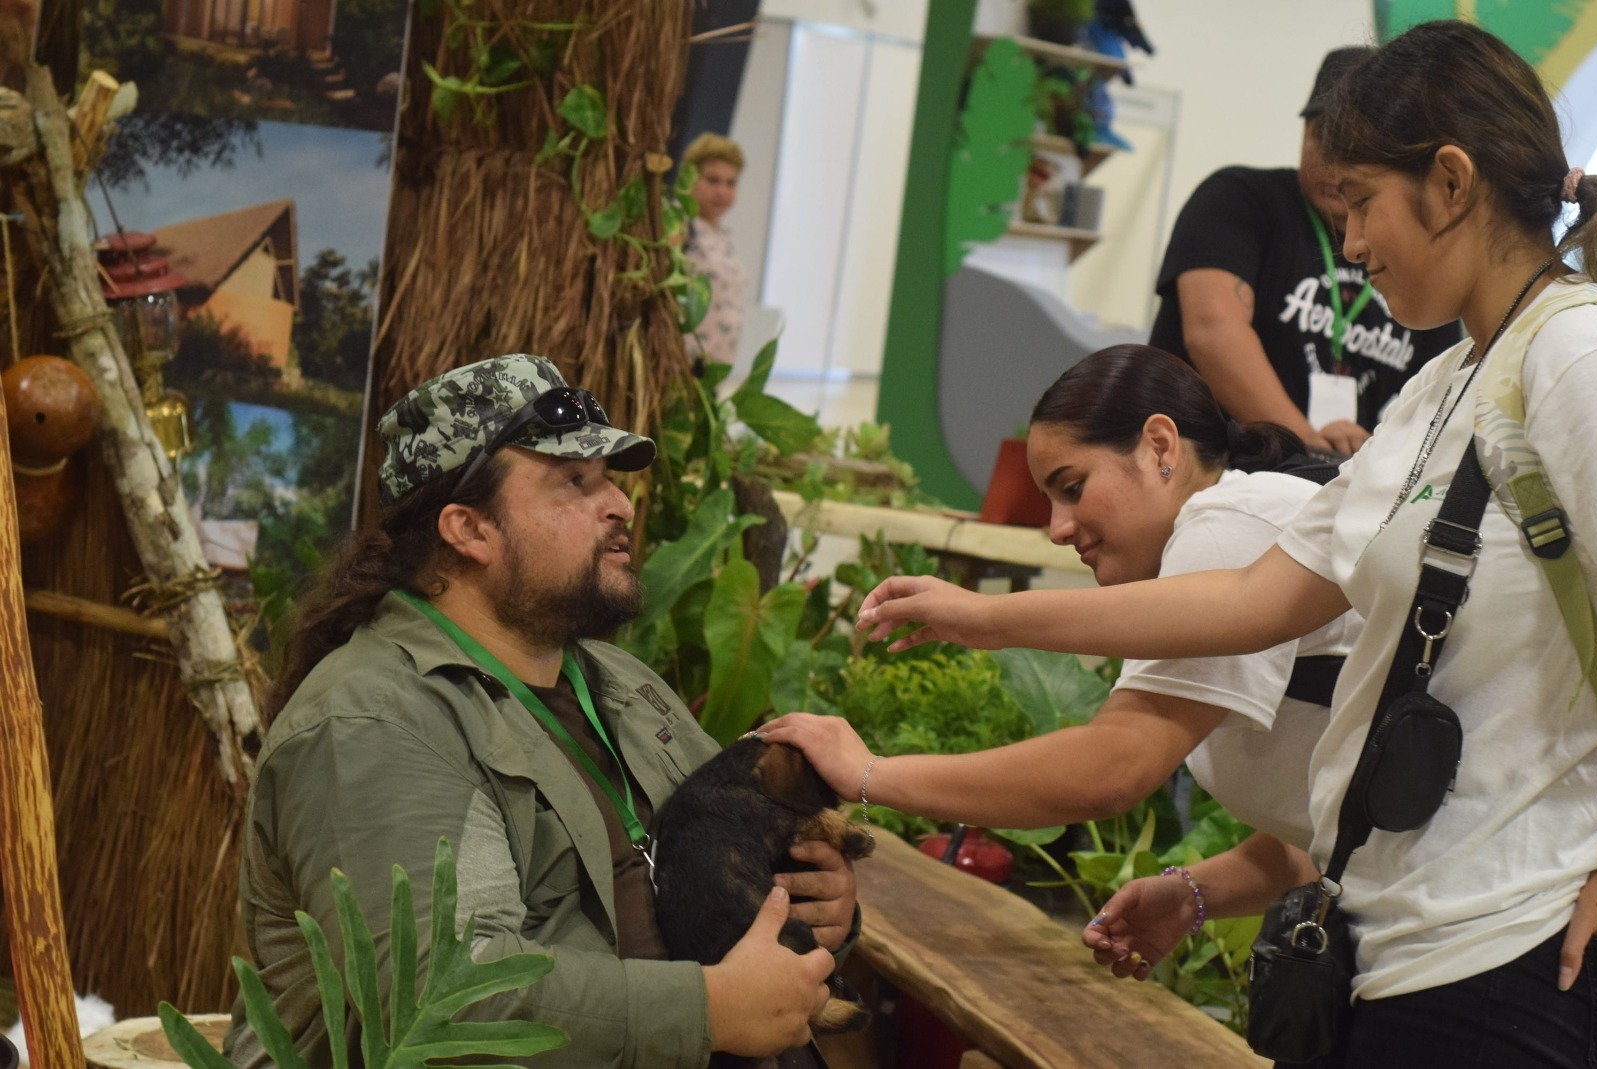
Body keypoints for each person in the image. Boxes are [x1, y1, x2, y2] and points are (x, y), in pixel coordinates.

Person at [857, 21, 1597, 1065]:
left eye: (1360, 204)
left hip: (1509, 940)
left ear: (1448, 183)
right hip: (1392, 939)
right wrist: (976, 616)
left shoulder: (1572, 353)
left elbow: (1122, 750)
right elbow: (1252, 599)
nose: (1348, 244)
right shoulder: (1438, 388)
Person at [225, 354, 858, 1069]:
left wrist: (822, 904)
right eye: (574, 483)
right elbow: (450, 995)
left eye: (611, 479)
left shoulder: (618, 680)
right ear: (470, 529)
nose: (620, 504)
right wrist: (705, 1010)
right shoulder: (373, 722)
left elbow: (740, 833)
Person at [761, 344, 1361, 901]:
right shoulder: (1235, 523)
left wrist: (869, 774)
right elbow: (1337, 820)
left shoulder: (1228, 519)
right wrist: (1192, 896)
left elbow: (1113, 767)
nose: (1057, 528)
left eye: (1073, 487)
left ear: (1160, 447)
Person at [1148, 46, 1462, 456]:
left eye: (1357, 147)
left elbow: (1439, 396)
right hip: (1210, 472)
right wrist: (1306, 450)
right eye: (1322, 137)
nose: (1333, 164)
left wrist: (1376, 459)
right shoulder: (1238, 199)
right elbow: (1212, 330)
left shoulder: (1423, 250)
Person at [681, 133, 747, 367]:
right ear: (691, 177)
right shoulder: (681, 225)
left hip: (713, 368)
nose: (722, 191)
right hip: (682, 364)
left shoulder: (721, 235)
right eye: (713, 180)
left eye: (730, 183)